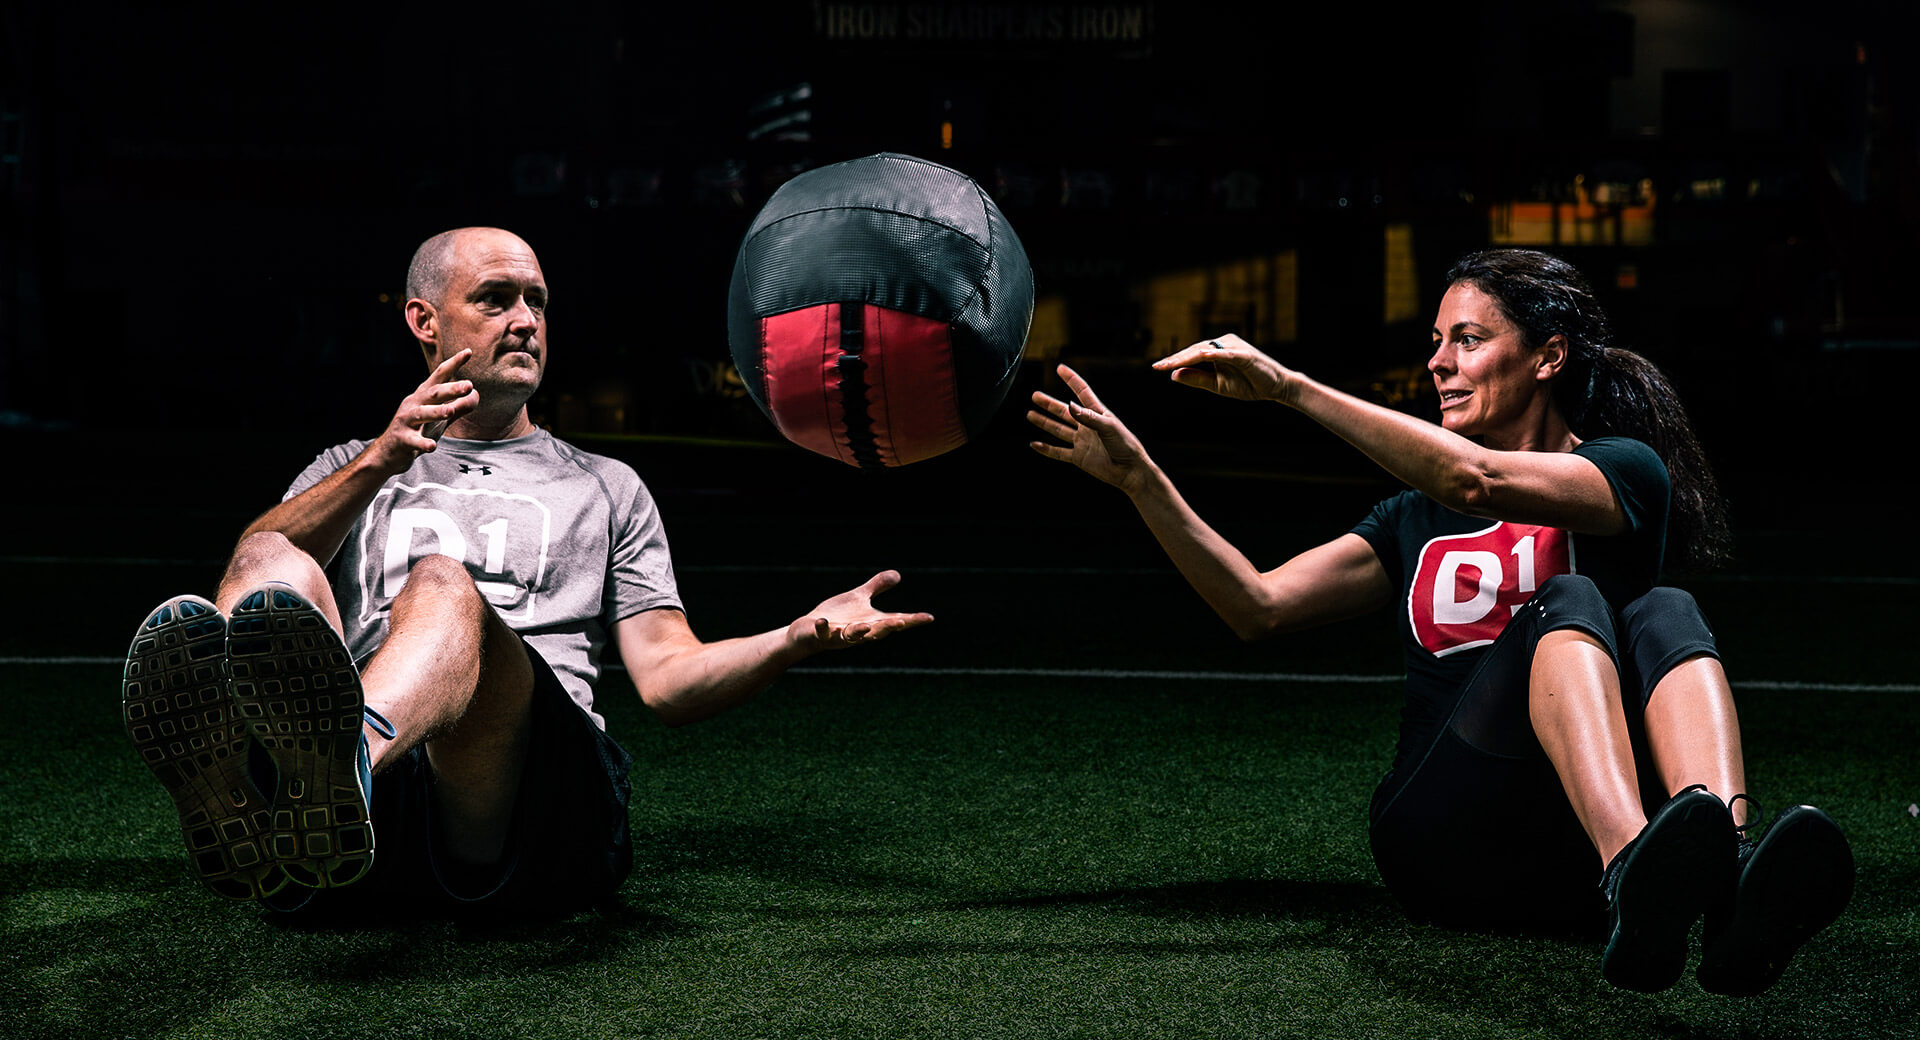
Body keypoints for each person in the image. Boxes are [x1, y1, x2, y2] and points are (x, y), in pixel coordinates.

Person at [1025, 248, 1852, 995]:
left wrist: (1288, 386)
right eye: (1436, 341)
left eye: (1467, 340)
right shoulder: (1411, 516)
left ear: (1547, 358)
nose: (1438, 363)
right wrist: (1141, 482)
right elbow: (1258, 605)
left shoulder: (1623, 472)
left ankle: (1726, 871)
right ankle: (1638, 869)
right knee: (1568, 602)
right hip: (1442, 836)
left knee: (1663, 606)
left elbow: (1480, 482)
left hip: (1566, 848)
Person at [121, 226, 933, 919]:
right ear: (424, 321)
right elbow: (255, 558)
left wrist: (790, 638)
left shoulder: (606, 485)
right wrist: (378, 460)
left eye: (537, 301)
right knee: (268, 557)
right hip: (371, 830)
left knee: (442, 584)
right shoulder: (351, 467)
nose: (525, 321)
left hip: (539, 810)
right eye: (496, 299)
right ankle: (288, 802)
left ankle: (332, 769)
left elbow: (667, 680)